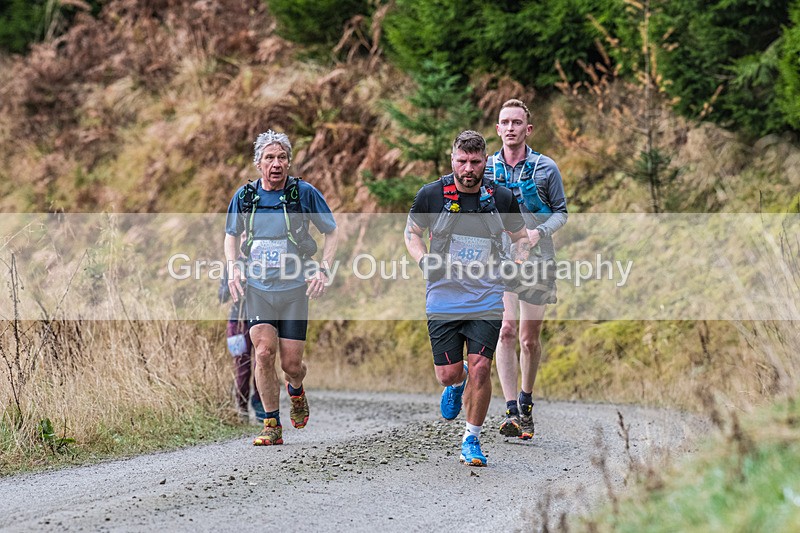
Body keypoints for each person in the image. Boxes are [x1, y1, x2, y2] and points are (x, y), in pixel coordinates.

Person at [405, 130, 528, 467]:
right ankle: (455, 384)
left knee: (481, 368)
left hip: (487, 297)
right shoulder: (432, 194)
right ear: (452, 159)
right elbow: (412, 232)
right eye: (462, 161)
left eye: (475, 162)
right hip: (443, 297)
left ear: (485, 161)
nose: (468, 168)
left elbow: (521, 238)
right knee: (447, 374)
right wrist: (422, 259)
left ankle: (471, 439)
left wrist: (517, 261)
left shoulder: (500, 198)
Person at [224, 130, 338, 446]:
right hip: (258, 287)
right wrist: (233, 268)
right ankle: (271, 425)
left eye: (282, 157)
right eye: (270, 158)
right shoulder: (245, 197)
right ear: (258, 162)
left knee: (291, 365)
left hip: (294, 289)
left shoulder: (303, 193)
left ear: (289, 161)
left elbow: (332, 231)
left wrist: (324, 270)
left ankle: (297, 389)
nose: (277, 164)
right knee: (262, 352)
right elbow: (231, 235)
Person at [485, 99, 568, 440]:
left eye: (517, 122)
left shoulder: (546, 168)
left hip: (538, 260)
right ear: (497, 129)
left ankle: (526, 400)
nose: (510, 128)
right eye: (505, 122)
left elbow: (561, 212)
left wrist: (538, 232)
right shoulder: (487, 169)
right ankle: (510, 411)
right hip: (501, 260)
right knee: (505, 329)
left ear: (528, 129)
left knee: (528, 339)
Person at [218, 272, 266, 423]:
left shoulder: (261, 261)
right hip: (237, 323)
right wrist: (236, 286)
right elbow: (221, 296)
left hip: (261, 320)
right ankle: (242, 408)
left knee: (263, 363)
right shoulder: (231, 266)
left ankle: (261, 408)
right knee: (241, 366)